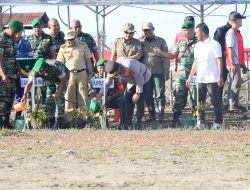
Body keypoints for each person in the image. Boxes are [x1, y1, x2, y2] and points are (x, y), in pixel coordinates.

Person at [154, 21, 197, 128]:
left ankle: (198, 120)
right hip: (181, 75)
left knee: (196, 98)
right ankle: (175, 121)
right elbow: (172, 54)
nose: (185, 33)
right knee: (179, 98)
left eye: (187, 31)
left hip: (195, 75)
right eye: (183, 31)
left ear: (193, 29)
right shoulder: (180, 41)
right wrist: (161, 53)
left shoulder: (199, 42)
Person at [186, 23, 223, 130]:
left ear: (203, 32)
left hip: (212, 78)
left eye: (197, 32)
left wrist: (220, 76)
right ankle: (200, 122)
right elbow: (196, 62)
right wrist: (190, 76)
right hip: (200, 79)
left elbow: (219, 60)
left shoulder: (215, 44)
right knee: (200, 102)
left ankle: (218, 123)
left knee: (215, 101)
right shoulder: (197, 46)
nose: (195, 34)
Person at [98, 59, 151, 130]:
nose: (115, 76)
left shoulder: (129, 66)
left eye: (115, 74)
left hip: (144, 78)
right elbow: (106, 84)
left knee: (140, 101)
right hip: (131, 81)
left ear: (119, 68)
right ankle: (127, 124)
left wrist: (137, 93)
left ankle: (138, 123)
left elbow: (140, 79)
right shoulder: (112, 70)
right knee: (127, 100)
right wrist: (100, 94)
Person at [57, 30, 93, 124]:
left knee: (84, 96)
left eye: (71, 39)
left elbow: (88, 60)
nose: (70, 41)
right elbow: (60, 64)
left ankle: (84, 119)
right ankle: (70, 120)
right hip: (69, 75)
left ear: (75, 38)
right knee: (68, 96)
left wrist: (90, 73)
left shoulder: (83, 45)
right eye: (68, 40)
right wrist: (61, 77)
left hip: (82, 73)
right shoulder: (63, 48)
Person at [21, 58, 68, 129]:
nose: (39, 73)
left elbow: (64, 80)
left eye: (40, 71)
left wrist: (58, 92)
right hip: (50, 79)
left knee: (59, 98)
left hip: (62, 78)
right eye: (38, 71)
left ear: (45, 68)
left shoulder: (55, 67)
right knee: (49, 98)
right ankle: (50, 121)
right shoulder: (35, 70)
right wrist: (24, 95)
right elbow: (29, 84)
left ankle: (60, 122)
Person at [139, 22, 170, 122]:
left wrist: (167, 71)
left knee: (159, 94)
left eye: (149, 30)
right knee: (147, 95)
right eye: (145, 30)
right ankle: (152, 115)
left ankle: (161, 115)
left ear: (153, 29)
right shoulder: (140, 41)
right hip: (145, 73)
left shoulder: (161, 41)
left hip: (158, 72)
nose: (147, 32)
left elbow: (166, 57)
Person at [0, 20, 24, 128]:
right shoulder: (2, 39)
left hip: (13, 74)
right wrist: (3, 74)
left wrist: (19, 68)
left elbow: (13, 57)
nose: (16, 34)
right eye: (15, 32)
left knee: (10, 98)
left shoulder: (13, 39)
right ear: (9, 28)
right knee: (2, 99)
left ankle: (6, 122)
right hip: (3, 75)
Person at [225, 12, 246, 112]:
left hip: (236, 62)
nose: (241, 21)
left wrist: (242, 64)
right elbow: (230, 49)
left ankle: (232, 105)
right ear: (236, 21)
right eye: (240, 19)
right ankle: (232, 106)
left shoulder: (236, 32)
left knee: (233, 84)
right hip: (233, 63)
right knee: (235, 84)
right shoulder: (231, 33)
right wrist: (233, 63)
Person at [213, 11, 235, 107]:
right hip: (221, 60)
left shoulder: (235, 31)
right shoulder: (221, 30)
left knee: (227, 82)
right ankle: (218, 102)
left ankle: (222, 102)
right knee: (219, 82)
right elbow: (216, 45)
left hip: (228, 60)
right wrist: (222, 53)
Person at [14, 31, 33, 120]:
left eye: (20, 30)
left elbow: (30, 58)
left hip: (23, 73)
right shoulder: (7, 42)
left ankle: (17, 117)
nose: (18, 33)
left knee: (21, 95)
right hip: (9, 73)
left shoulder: (26, 42)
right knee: (8, 96)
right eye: (16, 30)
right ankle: (4, 119)